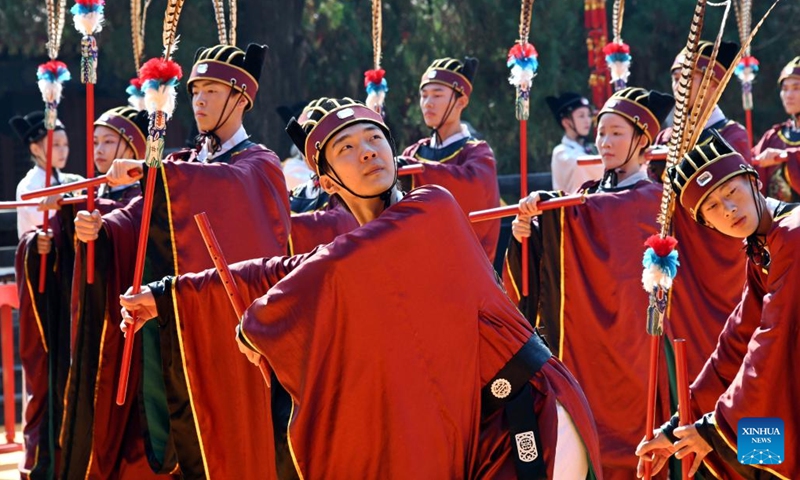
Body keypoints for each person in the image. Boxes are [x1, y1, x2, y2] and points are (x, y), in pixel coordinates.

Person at [120, 97, 603, 478]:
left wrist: (261, 320)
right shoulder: (356, 249)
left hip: (528, 412)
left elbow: (328, 269)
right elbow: (283, 268)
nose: (368, 150)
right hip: (477, 434)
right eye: (346, 148)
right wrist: (167, 294)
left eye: (375, 137)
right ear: (327, 181)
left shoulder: (432, 209)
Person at [73, 43, 292, 479]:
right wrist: (102, 228)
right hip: (178, 321)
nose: (200, 102)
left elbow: (225, 188)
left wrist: (150, 170)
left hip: (228, 329)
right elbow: (141, 211)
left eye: (212, 90)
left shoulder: (260, 163)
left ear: (241, 97)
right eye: (194, 92)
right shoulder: (184, 162)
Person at [506, 86, 748, 479]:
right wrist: (528, 232)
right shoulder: (582, 197)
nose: (605, 143)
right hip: (590, 344)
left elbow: (606, 221)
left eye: (617, 133)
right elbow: (560, 250)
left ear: (642, 139)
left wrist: (553, 212)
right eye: (601, 133)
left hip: (645, 340)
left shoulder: (654, 198)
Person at [636, 133, 800, 479]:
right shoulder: (761, 248)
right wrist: (683, 422)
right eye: (712, 207)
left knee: (757, 451)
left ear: (754, 181)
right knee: (757, 458)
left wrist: (713, 428)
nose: (728, 209)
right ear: (707, 224)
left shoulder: (792, 234)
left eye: (731, 192)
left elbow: (771, 339)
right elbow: (739, 338)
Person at [58, 104, 159, 480]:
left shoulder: (145, 194)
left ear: (132, 148)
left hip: (134, 324)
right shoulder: (91, 192)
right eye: (95, 141)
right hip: (93, 323)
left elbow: (132, 222)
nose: (98, 149)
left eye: (109, 141)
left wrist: (101, 226)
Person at [401, 57, 502, 263]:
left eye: (437, 95)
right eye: (424, 95)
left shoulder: (477, 154)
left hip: (461, 266)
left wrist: (413, 172)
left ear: (461, 101)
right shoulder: (413, 152)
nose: (428, 103)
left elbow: (474, 191)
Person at [651, 40, 753, 181]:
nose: (679, 86)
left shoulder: (732, 135)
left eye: (688, 78)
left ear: (712, 84)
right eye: (676, 79)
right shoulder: (666, 137)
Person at [9, 111, 82, 238]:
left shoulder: (72, 180)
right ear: (35, 149)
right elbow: (43, 219)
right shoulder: (28, 185)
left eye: (66, 144)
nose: (63, 150)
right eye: (56, 144)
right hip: (41, 253)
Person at [752, 56, 800, 201]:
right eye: (784, 89)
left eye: (796, 88)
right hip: (777, 221)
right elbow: (749, 162)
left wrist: (787, 156)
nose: (788, 95)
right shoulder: (773, 136)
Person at [546, 92, 602, 192]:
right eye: (581, 116)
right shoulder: (561, 152)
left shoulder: (591, 148)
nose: (587, 120)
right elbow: (583, 165)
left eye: (588, 115)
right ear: (566, 122)